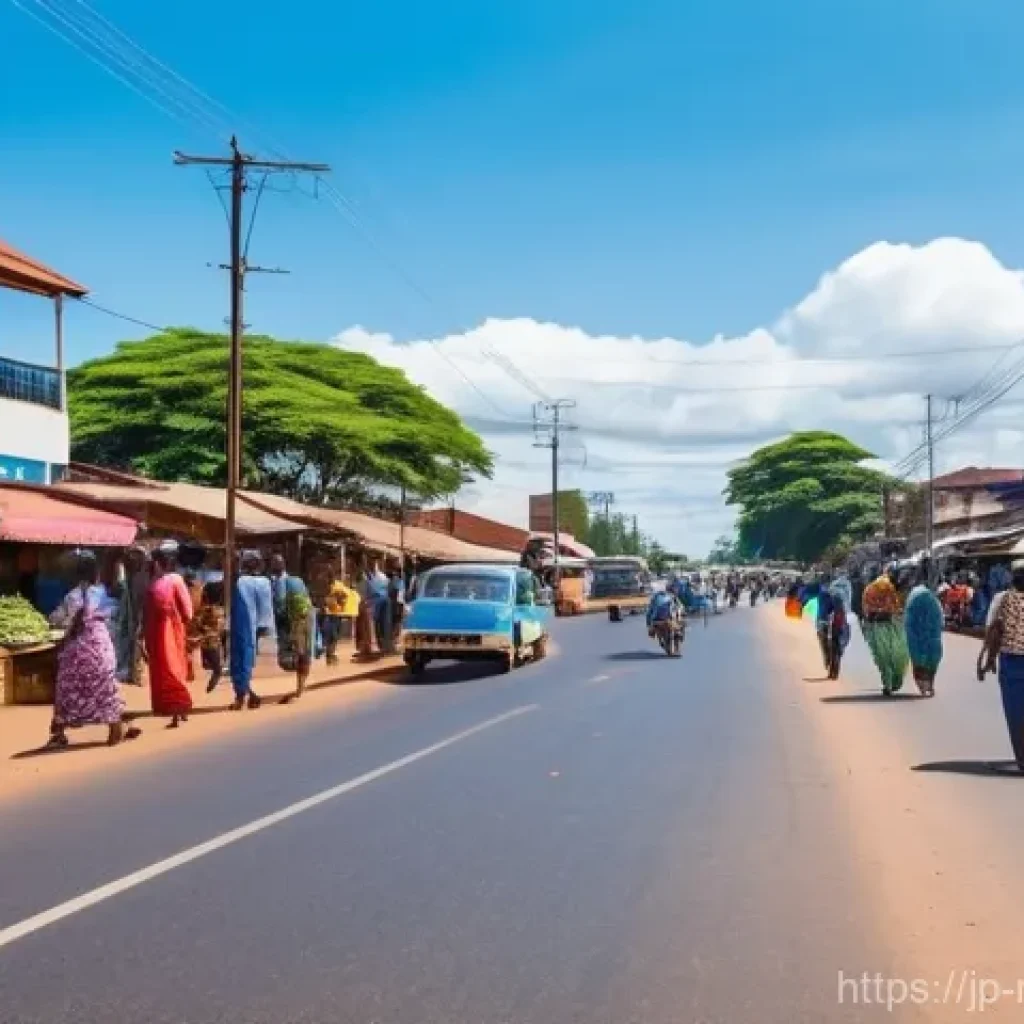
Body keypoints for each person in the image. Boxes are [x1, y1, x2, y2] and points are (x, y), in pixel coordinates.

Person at [46, 552, 137, 749]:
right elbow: (114, 614)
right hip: (100, 647)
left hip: (77, 650)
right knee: (105, 688)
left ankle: (59, 731)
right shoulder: (101, 592)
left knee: (66, 687)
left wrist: (54, 622)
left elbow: (59, 619)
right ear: (95, 573)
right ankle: (115, 726)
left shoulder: (72, 596)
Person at [980, 558, 1024, 768]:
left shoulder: (1001, 598)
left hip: (1012, 660)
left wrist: (989, 659)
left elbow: (992, 630)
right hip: (1011, 660)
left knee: (1016, 712)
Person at [144, 543, 194, 727]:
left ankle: (177, 707)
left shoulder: (173, 580)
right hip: (158, 632)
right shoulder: (157, 582)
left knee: (171, 668)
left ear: (158, 563)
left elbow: (187, 611)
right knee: (163, 669)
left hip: (168, 631)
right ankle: (171, 707)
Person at [270, 554, 316, 702]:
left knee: (294, 656)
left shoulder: (279, 582)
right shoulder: (297, 580)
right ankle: (300, 688)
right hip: (306, 619)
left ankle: (299, 689)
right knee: (304, 654)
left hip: (293, 623)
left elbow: (280, 606)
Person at [861, 568, 909, 696]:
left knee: (883, 657)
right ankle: (894, 682)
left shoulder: (870, 589)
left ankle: (888, 684)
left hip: (877, 627)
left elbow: (866, 609)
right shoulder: (889, 589)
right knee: (897, 655)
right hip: (890, 625)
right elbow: (896, 608)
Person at [904, 567, 943, 697]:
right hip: (925, 636)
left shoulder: (920, 597)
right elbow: (940, 621)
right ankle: (926, 684)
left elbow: (908, 621)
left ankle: (926, 684)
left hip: (925, 636)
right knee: (926, 661)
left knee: (925, 661)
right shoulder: (924, 597)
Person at [228, 565, 263, 711]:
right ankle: (247, 695)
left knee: (242, 661)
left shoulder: (248, 587)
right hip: (240, 627)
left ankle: (242, 697)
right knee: (238, 662)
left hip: (245, 627)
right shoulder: (237, 588)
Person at [114, 546, 148, 685]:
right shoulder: (132, 577)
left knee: (137, 644)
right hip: (132, 615)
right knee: (131, 643)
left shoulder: (140, 577)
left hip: (138, 615)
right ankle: (133, 673)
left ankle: (136, 675)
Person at [192, 578, 226, 694]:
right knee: (217, 669)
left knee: (209, 664)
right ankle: (211, 685)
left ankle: (208, 673)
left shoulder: (202, 610)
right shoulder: (218, 611)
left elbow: (196, 623)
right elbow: (220, 628)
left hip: (203, 643)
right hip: (213, 643)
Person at [322, 571, 359, 666]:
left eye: (329, 577)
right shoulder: (328, 586)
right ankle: (330, 655)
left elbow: (345, 596)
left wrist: (340, 603)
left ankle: (331, 655)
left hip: (336, 614)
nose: (327, 579)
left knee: (334, 636)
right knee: (331, 635)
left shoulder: (338, 585)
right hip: (330, 614)